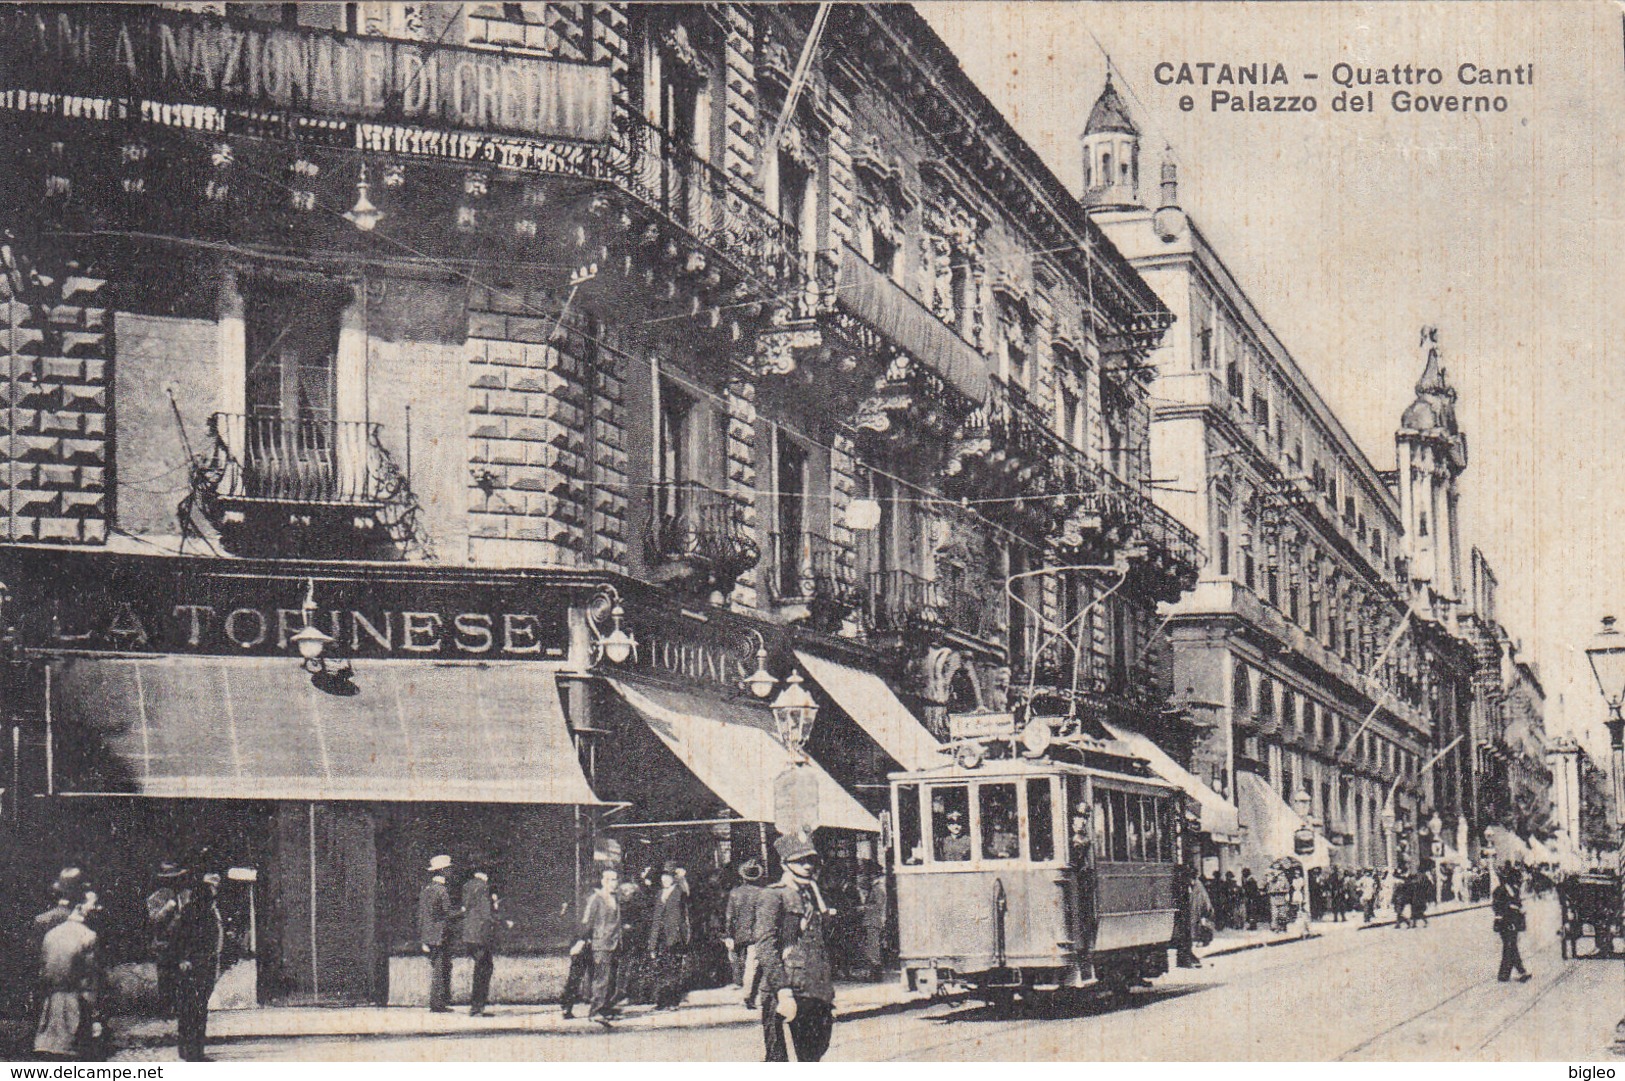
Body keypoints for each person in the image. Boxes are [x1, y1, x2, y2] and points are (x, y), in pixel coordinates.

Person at [758, 831, 836, 1062]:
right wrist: (782, 991)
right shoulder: (774, 896)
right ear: (784, 864)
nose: (807, 866)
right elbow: (766, 947)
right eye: (799, 861)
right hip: (787, 989)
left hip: (815, 991)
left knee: (813, 1056)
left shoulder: (813, 894)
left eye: (811, 860)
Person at [34, 888, 102, 1061]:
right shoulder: (88, 935)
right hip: (76, 1013)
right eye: (93, 904)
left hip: (49, 1014)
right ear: (79, 907)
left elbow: (44, 972)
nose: (98, 908)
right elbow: (90, 981)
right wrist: (95, 1018)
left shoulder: (50, 934)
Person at [167, 866, 223, 1062]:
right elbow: (182, 939)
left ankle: (189, 1049)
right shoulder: (196, 913)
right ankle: (194, 1052)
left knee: (194, 1008)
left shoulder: (204, 911)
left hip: (204, 966)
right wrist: (184, 958)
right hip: (196, 967)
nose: (215, 893)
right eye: (211, 890)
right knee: (194, 1009)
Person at [572, 866, 623, 1026]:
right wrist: (581, 940)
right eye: (611, 880)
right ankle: (595, 1011)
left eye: (615, 879)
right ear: (603, 881)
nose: (614, 883)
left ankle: (605, 1008)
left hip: (614, 943)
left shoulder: (615, 898)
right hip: (601, 944)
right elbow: (587, 921)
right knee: (601, 979)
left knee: (611, 979)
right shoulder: (596, 898)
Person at [145, 860, 188, 1020]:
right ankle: (166, 1010)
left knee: (182, 977)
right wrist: (167, 908)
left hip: (182, 942)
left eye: (177, 878)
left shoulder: (185, 895)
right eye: (170, 878)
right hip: (165, 943)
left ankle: (181, 1009)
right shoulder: (156, 898)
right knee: (166, 977)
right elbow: (154, 919)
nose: (174, 882)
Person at [649, 864, 691, 1009]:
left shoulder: (680, 893)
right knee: (660, 969)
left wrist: (685, 938)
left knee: (674, 969)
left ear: (673, 878)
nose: (664, 879)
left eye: (668, 876)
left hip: (675, 936)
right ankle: (661, 1001)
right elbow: (656, 917)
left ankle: (673, 1001)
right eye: (663, 876)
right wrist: (652, 941)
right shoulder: (659, 893)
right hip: (660, 937)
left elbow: (685, 914)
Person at [418, 854, 457, 1013]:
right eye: (448, 869)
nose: (451, 872)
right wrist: (463, 911)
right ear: (442, 871)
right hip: (440, 934)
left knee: (437, 967)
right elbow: (447, 913)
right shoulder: (442, 891)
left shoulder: (427, 890)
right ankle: (438, 1003)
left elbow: (421, 915)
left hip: (429, 935)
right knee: (441, 968)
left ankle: (438, 1002)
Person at [461, 857, 499, 1017]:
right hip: (481, 934)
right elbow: (485, 913)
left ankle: (476, 1006)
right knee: (484, 969)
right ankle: (477, 1006)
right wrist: (496, 908)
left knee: (479, 967)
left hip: (469, 934)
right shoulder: (484, 888)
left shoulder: (467, 886)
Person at [725, 860, 766, 1007]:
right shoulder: (763, 893)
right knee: (753, 965)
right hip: (757, 933)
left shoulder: (735, 893)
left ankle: (748, 993)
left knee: (743, 964)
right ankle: (749, 995)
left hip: (739, 934)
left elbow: (730, 916)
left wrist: (729, 935)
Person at [1493, 863, 1531, 982]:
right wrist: (1509, 908)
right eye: (1517, 878)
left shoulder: (1514, 890)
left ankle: (1505, 974)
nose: (1519, 881)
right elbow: (1496, 906)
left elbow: (1518, 904)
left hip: (1514, 921)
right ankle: (1520, 972)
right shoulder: (1500, 890)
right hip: (1505, 922)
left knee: (1510, 947)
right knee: (1510, 946)